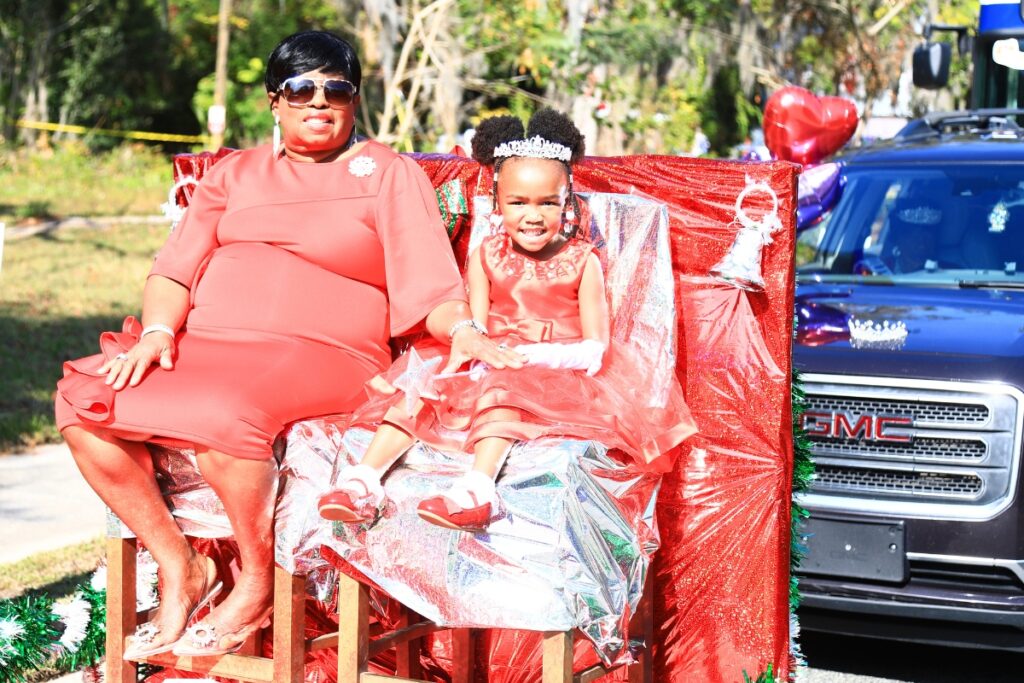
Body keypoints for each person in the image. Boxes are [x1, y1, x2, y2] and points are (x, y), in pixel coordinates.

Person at [54, 30, 518, 659]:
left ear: (356, 101)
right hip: (210, 343)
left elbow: (429, 284)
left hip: (325, 351)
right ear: (276, 101)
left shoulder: (387, 173)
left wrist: (463, 329)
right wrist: (160, 330)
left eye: (338, 89)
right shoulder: (234, 173)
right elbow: (173, 270)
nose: (319, 101)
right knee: (85, 406)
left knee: (225, 418)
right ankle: (181, 565)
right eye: (302, 88)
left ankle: (257, 577)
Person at [317, 109, 697, 532]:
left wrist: (533, 356)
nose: (532, 217)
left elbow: (596, 347)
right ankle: (363, 480)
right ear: (498, 203)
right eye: (518, 203)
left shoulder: (581, 261)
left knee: (504, 388)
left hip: (553, 368)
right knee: (423, 383)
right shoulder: (487, 255)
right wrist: (476, 357)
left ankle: (477, 489)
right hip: (492, 352)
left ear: (566, 202)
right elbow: (474, 323)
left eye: (547, 203)